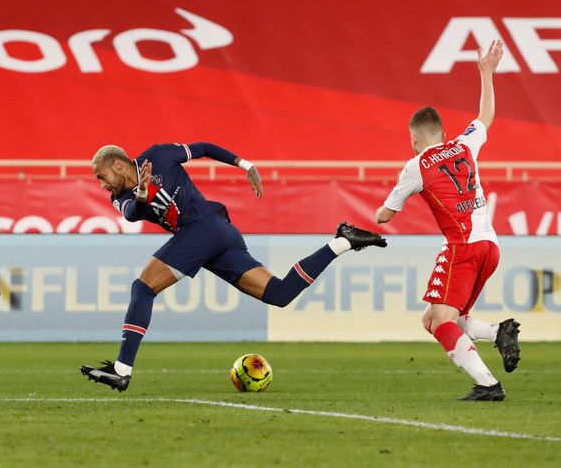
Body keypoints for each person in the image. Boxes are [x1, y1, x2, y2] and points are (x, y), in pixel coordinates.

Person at [81, 142, 387, 391]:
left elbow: (201, 148)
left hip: (203, 227)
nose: (101, 184)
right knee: (279, 293)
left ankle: (122, 370)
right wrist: (144, 194)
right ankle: (343, 241)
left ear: (118, 165)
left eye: (101, 176)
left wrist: (245, 165)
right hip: (215, 235)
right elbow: (133, 213)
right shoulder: (121, 197)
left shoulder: (159, 155)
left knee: (143, 288)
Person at [375, 40, 520, 401]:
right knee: (434, 319)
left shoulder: (416, 165)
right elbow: (485, 117)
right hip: (491, 245)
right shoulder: (465, 143)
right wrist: (486, 74)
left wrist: (382, 209)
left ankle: (489, 385)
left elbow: (385, 215)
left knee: (441, 323)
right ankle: (499, 331)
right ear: (442, 132)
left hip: (462, 247)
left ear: (414, 140)